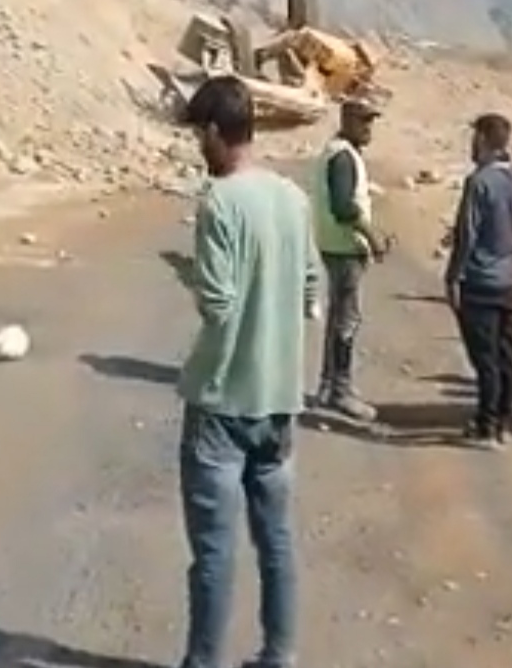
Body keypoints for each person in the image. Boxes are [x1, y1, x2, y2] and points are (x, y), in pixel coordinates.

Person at [176, 74, 318, 668]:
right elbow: (311, 289)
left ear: (215, 131)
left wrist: (189, 274)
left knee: (214, 552)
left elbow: (218, 305)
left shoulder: (219, 202)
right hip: (280, 400)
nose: (198, 148)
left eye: (199, 136)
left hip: (221, 402)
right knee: (276, 541)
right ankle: (278, 655)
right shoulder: (293, 198)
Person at [444, 113, 512, 448]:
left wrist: (453, 276)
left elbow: (467, 234)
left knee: (484, 357)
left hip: (480, 279)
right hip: (509, 277)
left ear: (482, 139)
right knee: (506, 353)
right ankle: (504, 419)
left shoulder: (478, 181)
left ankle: (487, 424)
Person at [311, 97, 389, 422]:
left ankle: (329, 385)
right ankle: (339, 391)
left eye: (371, 121)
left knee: (338, 319)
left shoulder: (339, 152)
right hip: (344, 248)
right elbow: (343, 207)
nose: (369, 128)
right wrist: (372, 236)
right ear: (346, 120)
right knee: (346, 321)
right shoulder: (342, 157)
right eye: (363, 121)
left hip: (336, 246)